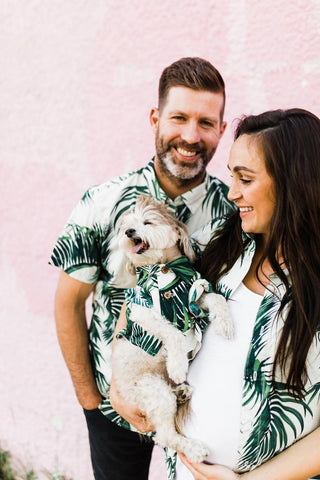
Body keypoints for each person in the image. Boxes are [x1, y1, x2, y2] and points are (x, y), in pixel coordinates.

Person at [49, 56, 235, 480]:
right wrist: (91, 401)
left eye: (206, 123)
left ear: (221, 131)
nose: (191, 136)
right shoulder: (102, 202)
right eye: (179, 118)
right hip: (115, 410)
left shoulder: (235, 212)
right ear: (155, 118)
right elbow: (68, 303)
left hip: (200, 410)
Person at [173, 108, 320, 479]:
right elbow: (147, 286)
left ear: (293, 182)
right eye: (232, 176)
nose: (233, 192)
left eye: (246, 179)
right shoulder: (222, 248)